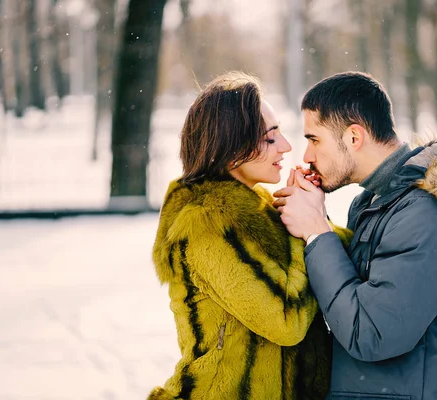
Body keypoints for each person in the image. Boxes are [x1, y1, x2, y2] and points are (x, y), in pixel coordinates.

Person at [273, 71, 437, 400]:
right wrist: (312, 222)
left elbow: (372, 333)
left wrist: (317, 232)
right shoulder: (373, 204)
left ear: (354, 137)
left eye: (314, 139)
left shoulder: (430, 213)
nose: (306, 155)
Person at [148, 71, 351, 400]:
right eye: (270, 138)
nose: (286, 147)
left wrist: (312, 216)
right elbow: (286, 321)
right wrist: (305, 231)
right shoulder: (206, 223)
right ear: (229, 146)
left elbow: (344, 254)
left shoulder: (257, 209)